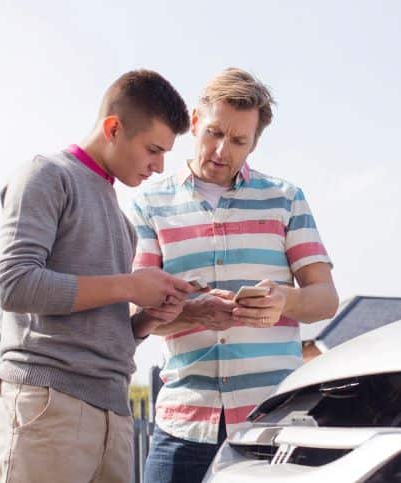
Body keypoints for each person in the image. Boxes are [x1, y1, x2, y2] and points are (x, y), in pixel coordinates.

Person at [131, 67, 339, 483]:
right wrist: (196, 314)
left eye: (239, 140)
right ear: (193, 123)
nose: (222, 150)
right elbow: (141, 314)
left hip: (272, 424)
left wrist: (285, 299)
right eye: (213, 132)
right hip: (184, 424)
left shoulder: (286, 198)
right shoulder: (149, 203)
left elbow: (325, 299)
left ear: (254, 143)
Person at [0, 69, 197, 483]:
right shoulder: (46, 175)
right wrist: (131, 285)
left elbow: (97, 324)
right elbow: (13, 284)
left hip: (114, 413)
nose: (159, 167)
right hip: (50, 405)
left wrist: (144, 322)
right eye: (153, 150)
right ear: (113, 128)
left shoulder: (123, 222)